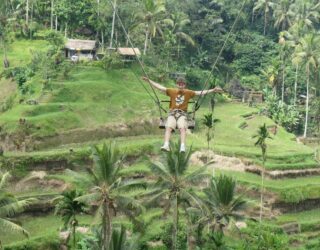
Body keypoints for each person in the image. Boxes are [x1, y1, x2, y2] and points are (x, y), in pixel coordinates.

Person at [143, 76, 223, 152]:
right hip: (172, 114)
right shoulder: (172, 91)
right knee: (168, 127)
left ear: (184, 85)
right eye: (179, 84)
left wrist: (213, 90)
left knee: (182, 128)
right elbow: (160, 87)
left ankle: (182, 147)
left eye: (182, 84)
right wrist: (149, 81)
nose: (180, 85)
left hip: (182, 114)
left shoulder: (188, 92)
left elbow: (200, 93)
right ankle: (166, 145)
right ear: (177, 84)